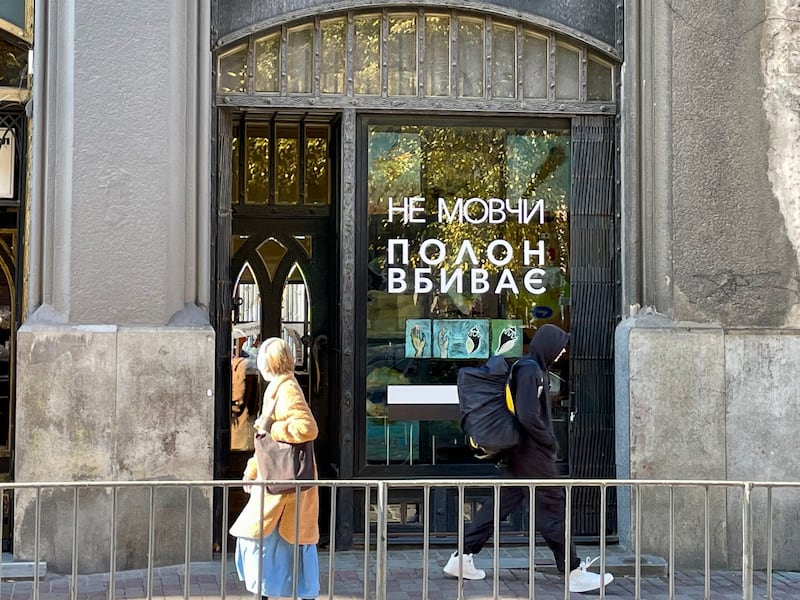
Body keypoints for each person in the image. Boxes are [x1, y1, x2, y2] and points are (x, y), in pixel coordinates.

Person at [443, 324, 613, 593]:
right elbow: (527, 414)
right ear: (548, 346)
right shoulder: (531, 370)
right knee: (552, 507)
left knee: (501, 503)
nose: (562, 352)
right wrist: (548, 440)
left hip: (523, 452)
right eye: (560, 346)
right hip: (533, 454)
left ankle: (461, 557)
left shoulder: (531, 368)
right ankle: (573, 570)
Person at [230, 337, 320, 600]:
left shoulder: (287, 389)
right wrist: (253, 470)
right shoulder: (277, 388)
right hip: (279, 486)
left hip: (286, 490)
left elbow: (307, 428)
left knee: (266, 541)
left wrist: (273, 428)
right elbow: (267, 445)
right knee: (266, 543)